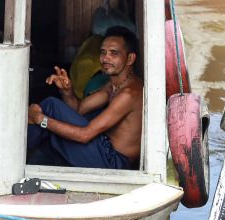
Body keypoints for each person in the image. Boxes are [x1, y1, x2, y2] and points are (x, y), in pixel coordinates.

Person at [26, 26, 143, 169]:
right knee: (52, 133)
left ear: (130, 58)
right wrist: (67, 91)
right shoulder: (113, 85)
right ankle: (20, 155)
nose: (105, 58)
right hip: (103, 148)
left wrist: (40, 119)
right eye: (103, 52)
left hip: (112, 162)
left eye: (114, 53)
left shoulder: (128, 94)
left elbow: (84, 135)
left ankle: (12, 152)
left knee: (51, 107)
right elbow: (79, 109)